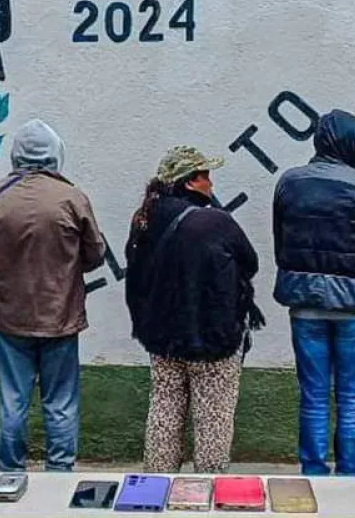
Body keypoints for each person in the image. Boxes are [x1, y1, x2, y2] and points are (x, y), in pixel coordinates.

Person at [0, 119, 106, 472]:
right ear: (55, 153)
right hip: (60, 316)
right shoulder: (72, 198)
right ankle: (59, 472)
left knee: (12, 400)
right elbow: (95, 254)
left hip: (9, 316)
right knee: (60, 401)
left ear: (16, 154)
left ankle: (11, 471)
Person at [125, 146, 262, 474]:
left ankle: (158, 484)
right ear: (189, 182)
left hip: (161, 338)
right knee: (213, 418)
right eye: (206, 176)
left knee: (164, 409)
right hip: (213, 341)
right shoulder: (215, 221)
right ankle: (208, 488)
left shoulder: (145, 218)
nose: (211, 183)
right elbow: (250, 262)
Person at [272, 109, 355, 476]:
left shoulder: (290, 183)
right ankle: (349, 476)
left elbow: (281, 243)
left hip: (306, 303)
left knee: (314, 394)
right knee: (352, 396)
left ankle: (314, 472)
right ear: (348, 143)